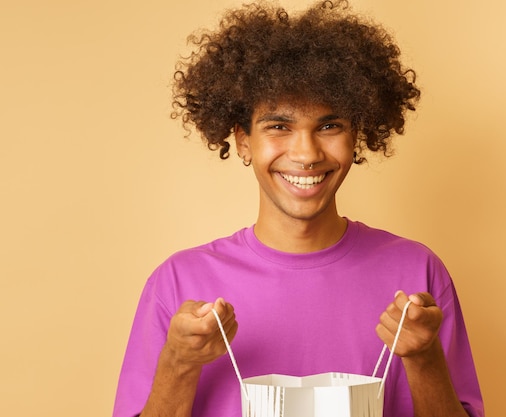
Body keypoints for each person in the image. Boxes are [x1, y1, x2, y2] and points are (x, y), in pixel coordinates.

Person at [113, 1, 484, 416]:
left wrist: (424, 359)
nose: (306, 153)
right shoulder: (179, 283)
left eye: (329, 126)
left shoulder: (417, 273)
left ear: (356, 134)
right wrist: (179, 363)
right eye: (278, 126)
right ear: (242, 140)